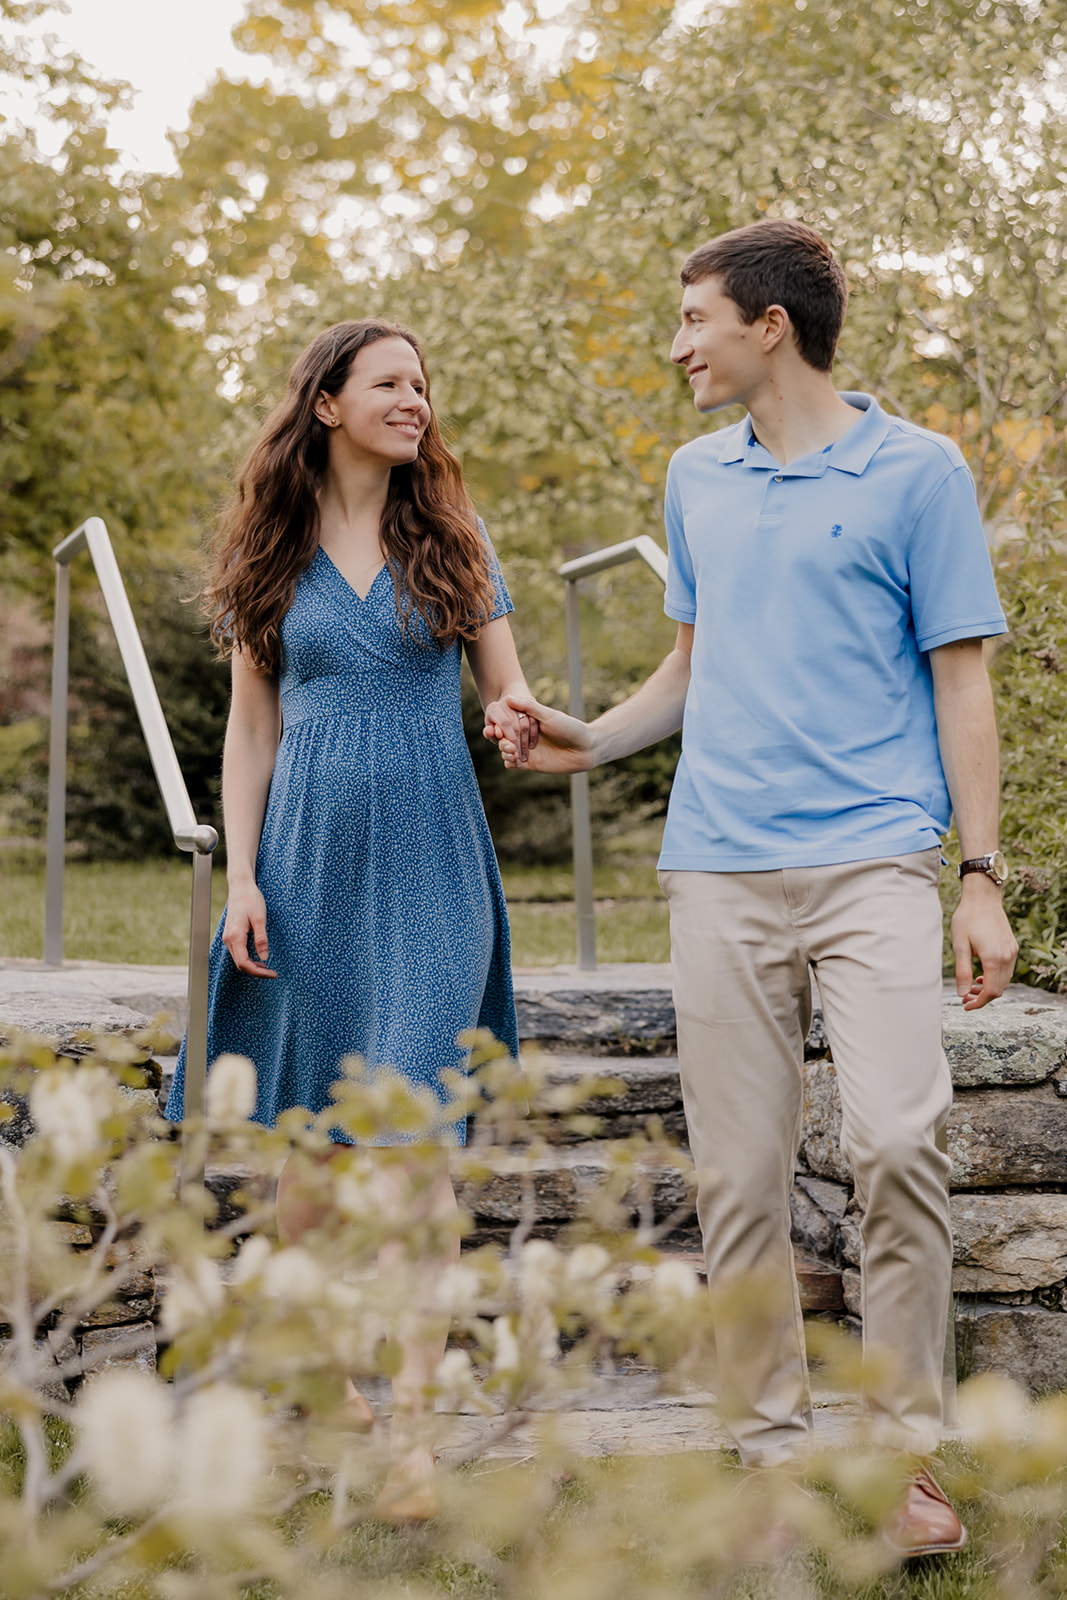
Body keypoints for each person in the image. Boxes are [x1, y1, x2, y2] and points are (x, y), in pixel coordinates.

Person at [495, 219, 1018, 1556]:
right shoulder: (695, 477)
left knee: (896, 1144)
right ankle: (774, 1460)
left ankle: (901, 1458)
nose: (676, 346)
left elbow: (961, 682)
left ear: (765, 326)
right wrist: (585, 735)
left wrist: (977, 876)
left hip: (871, 860)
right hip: (718, 861)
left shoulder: (919, 471)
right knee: (736, 1178)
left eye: (691, 321)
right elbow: (691, 666)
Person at [165, 317, 536, 1520]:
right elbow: (251, 727)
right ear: (326, 402)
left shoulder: (453, 537)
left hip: (433, 862)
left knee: (418, 1155)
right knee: (314, 1151)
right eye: (390, 382)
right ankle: (331, 1383)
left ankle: (416, 1439)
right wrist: (242, 877)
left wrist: (516, 719)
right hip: (307, 865)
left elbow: (508, 690)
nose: (415, 400)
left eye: (423, 383)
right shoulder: (271, 548)